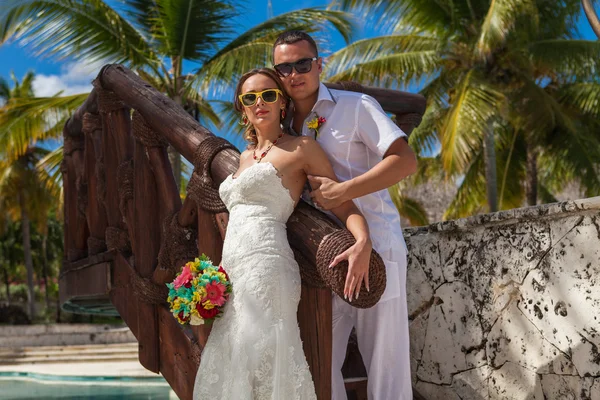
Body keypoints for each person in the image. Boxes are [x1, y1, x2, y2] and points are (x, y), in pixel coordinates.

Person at [193, 68, 373, 399]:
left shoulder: (302, 148)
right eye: (250, 98)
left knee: (264, 356)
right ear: (242, 108)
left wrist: (363, 241)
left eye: (268, 95)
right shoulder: (243, 157)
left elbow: (342, 204)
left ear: (282, 102)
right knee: (231, 359)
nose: (259, 102)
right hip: (231, 272)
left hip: (268, 269)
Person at [273, 31, 418, 400]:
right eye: (284, 68)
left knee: (387, 366)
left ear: (319, 65)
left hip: (378, 246)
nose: (294, 73)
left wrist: (344, 191)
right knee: (318, 362)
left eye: (302, 63)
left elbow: (405, 161)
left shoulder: (356, 106)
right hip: (322, 256)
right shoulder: (284, 128)